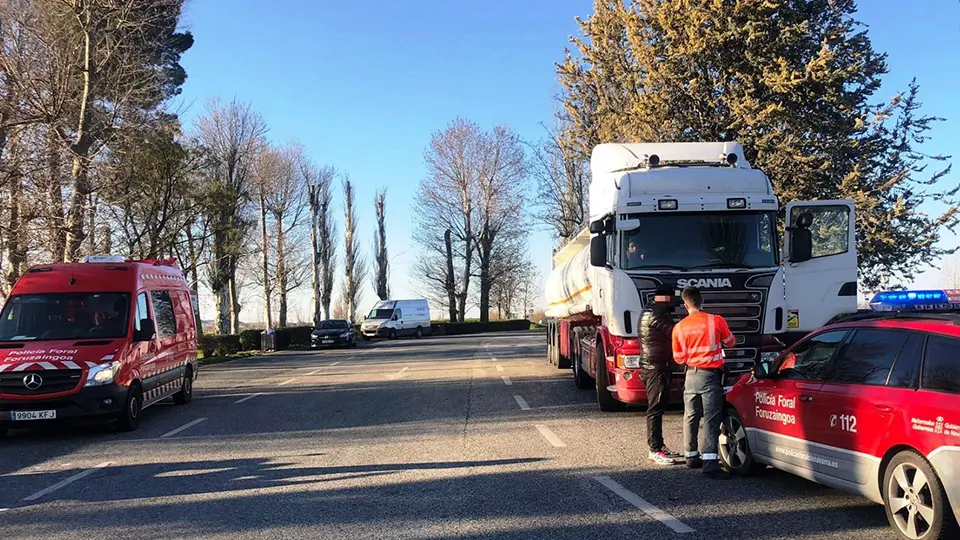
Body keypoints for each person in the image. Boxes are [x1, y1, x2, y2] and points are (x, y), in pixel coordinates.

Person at [671, 286, 736, 480]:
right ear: (702, 302)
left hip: (690, 375)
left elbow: (679, 358)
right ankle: (710, 464)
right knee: (711, 418)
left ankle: (691, 456)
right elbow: (730, 342)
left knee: (690, 416)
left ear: (686, 305)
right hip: (710, 376)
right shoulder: (715, 320)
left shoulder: (679, 327)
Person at [639, 287, 682, 466]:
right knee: (655, 408)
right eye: (673, 299)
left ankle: (659, 446)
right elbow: (675, 332)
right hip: (656, 367)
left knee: (659, 405)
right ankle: (654, 450)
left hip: (656, 365)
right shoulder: (656, 314)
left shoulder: (653, 310)